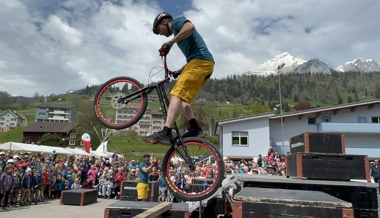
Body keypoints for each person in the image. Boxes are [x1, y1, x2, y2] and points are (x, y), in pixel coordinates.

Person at [144, 12, 214, 145]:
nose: (161, 34)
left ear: (165, 22)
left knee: (175, 95)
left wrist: (170, 43)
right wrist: (179, 71)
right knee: (182, 102)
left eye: (159, 30)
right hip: (202, 64)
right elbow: (193, 56)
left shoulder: (177, 22)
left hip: (200, 62)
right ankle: (195, 128)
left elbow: (191, 27)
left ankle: (166, 132)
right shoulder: (180, 35)